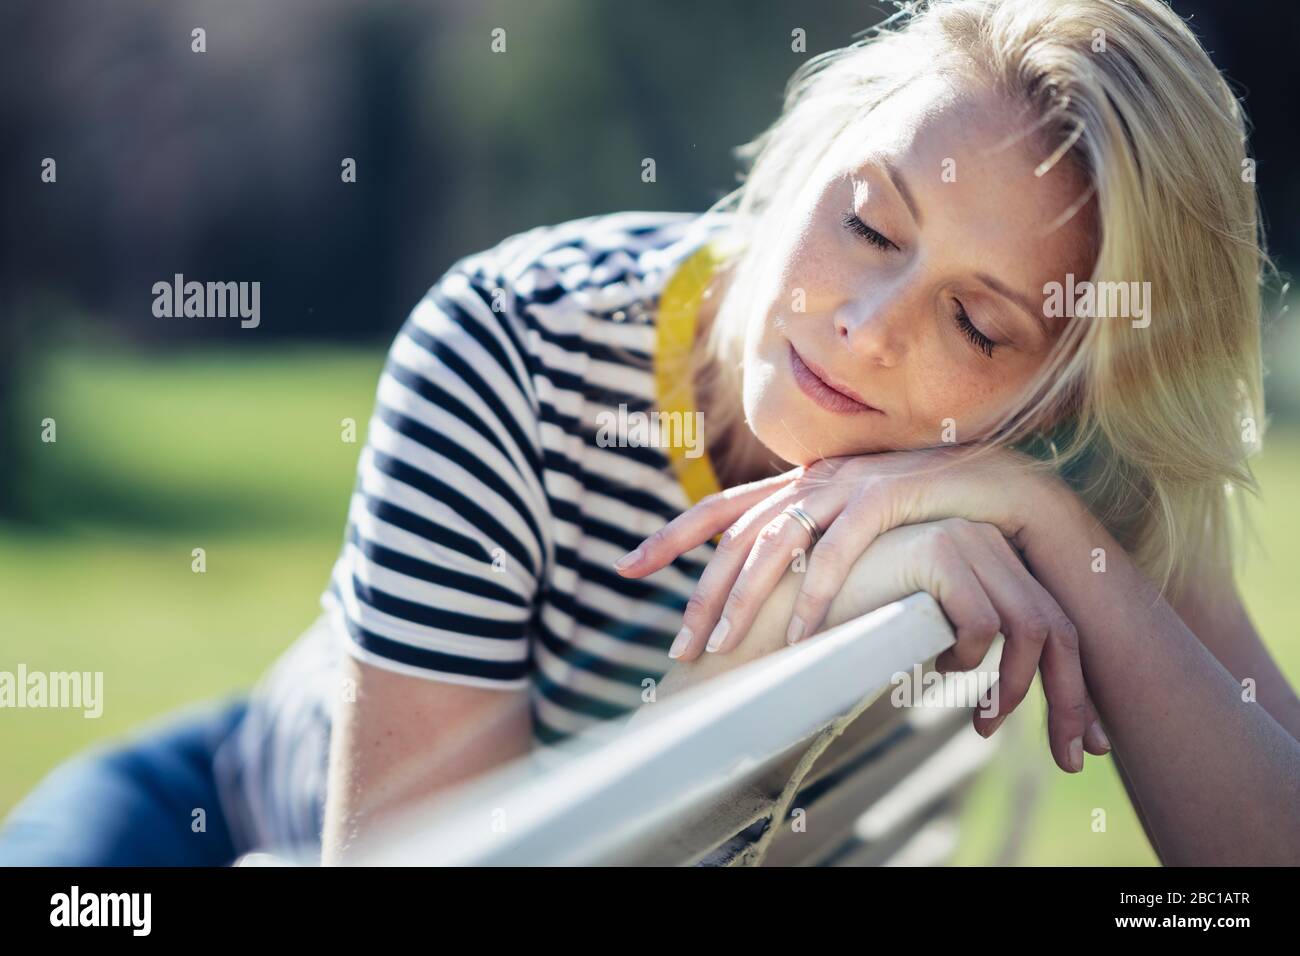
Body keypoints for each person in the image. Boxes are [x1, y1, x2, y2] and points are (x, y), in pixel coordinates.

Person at [2, 0, 1296, 867]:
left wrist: (1064, 532)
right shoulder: (515, 343)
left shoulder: (1063, 456)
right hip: (215, 816)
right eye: (868, 224)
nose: (863, 326)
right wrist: (733, 684)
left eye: (977, 323)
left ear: (1062, 390)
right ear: (814, 150)